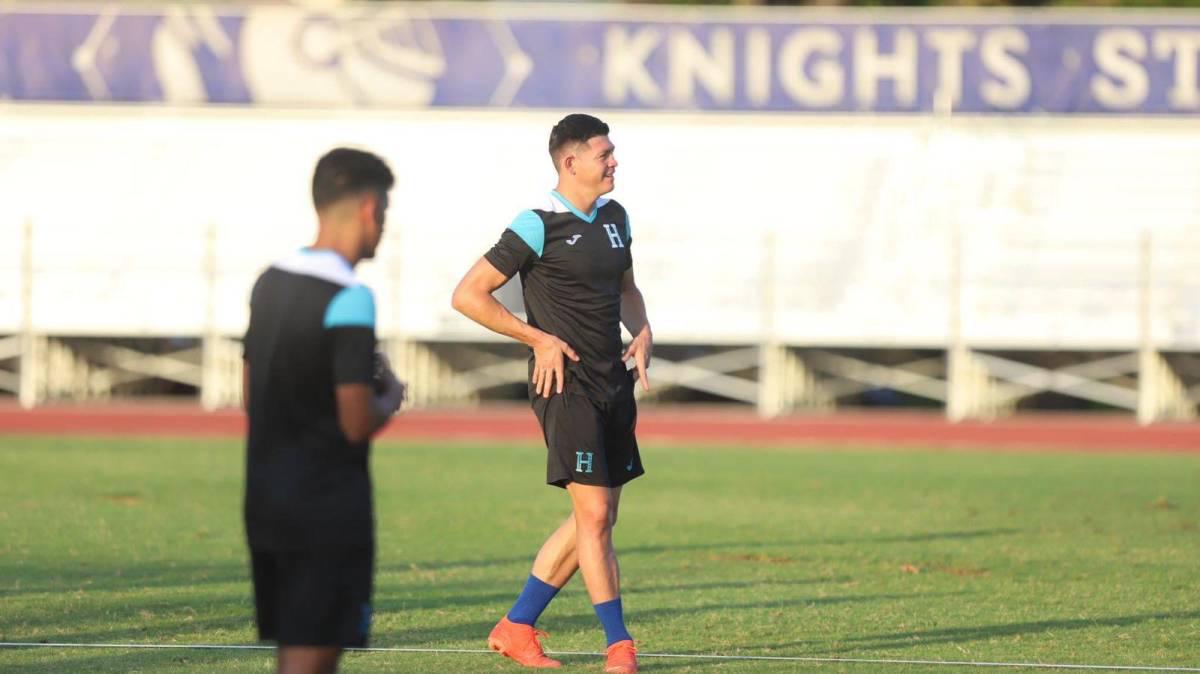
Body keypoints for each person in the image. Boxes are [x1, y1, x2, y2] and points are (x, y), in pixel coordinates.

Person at [451, 113, 652, 673]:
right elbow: (469, 295)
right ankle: (620, 647)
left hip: (615, 383)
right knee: (592, 514)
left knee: (599, 517)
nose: (614, 161)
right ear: (571, 162)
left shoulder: (617, 218)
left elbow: (627, 289)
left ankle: (516, 626)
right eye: (604, 154)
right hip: (566, 387)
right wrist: (537, 337)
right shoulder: (537, 224)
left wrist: (643, 329)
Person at [241, 147, 407, 674]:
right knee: (313, 660)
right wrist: (391, 398)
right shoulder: (350, 296)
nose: (383, 222)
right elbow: (355, 421)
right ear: (366, 207)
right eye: (384, 208)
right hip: (325, 506)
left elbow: (251, 393)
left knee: (293, 649)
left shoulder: (269, 281)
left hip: (266, 495)